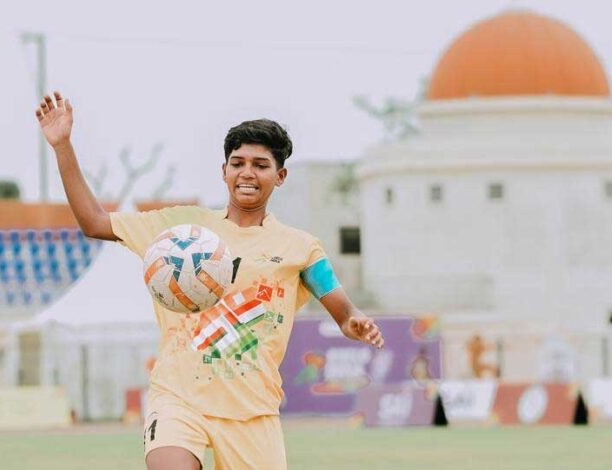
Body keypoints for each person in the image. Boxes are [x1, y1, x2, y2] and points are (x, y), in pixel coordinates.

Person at [35, 91, 385, 470]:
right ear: (224, 171)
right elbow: (94, 223)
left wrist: (354, 322)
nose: (247, 172)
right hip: (178, 397)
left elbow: (344, 313)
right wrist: (63, 146)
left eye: (260, 165)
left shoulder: (302, 248)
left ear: (280, 176)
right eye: (238, 163)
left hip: (252, 411)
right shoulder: (180, 228)